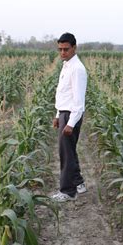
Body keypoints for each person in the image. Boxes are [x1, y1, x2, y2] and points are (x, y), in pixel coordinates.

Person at [51, 32, 87, 202]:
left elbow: (78, 101)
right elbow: (64, 94)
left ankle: (68, 191)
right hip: (64, 113)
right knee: (69, 151)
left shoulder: (77, 69)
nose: (62, 53)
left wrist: (71, 123)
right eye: (60, 49)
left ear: (74, 48)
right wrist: (58, 115)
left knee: (65, 154)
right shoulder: (67, 66)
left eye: (66, 49)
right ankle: (79, 183)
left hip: (72, 115)